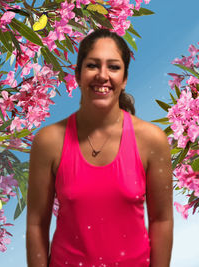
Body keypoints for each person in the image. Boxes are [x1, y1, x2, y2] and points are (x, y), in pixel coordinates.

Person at [26, 29, 173, 267]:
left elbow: (162, 220)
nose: (102, 75)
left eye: (113, 67)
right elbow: (36, 224)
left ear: (124, 78)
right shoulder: (49, 141)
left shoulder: (151, 140)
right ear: (78, 74)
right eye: (93, 65)